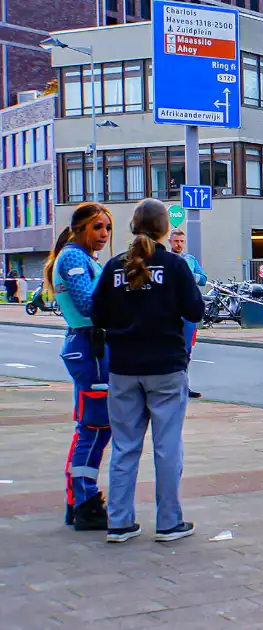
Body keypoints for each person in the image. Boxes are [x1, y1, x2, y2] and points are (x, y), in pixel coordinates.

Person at [91, 199, 205, 543]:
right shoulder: (173, 265)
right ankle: (169, 522)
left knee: (125, 447)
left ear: (132, 228)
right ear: (164, 230)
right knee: (167, 446)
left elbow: (97, 315)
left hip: (123, 368)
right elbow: (196, 311)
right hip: (166, 366)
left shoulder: (114, 267)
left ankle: (120, 522)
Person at [42, 203, 114, 531]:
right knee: (94, 426)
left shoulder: (80, 258)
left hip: (91, 345)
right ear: (80, 228)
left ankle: (80, 499)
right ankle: (83, 501)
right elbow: (89, 304)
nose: (104, 234)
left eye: (107, 228)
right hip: (91, 346)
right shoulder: (73, 257)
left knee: (95, 425)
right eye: (98, 227)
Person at [169, 229, 208, 399]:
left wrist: (189, 275)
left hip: (187, 312)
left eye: (182, 241)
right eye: (176, 241)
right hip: (170, 310)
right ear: (170, 241)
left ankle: (184, 385)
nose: (179, 244)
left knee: (186, 350)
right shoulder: (166, 259)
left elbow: (203, 278)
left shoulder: (190, 260)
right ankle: (172, 385)